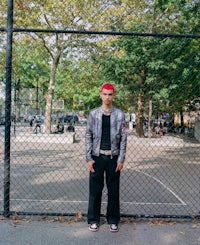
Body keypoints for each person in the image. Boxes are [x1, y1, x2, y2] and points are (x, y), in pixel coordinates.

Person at [86, 83, 127, 233]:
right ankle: (94, 219)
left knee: (113, 190)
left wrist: (121, 158)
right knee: (95, 190)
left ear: (113, 95)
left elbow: (123, 138)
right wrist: (88, 158)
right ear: (100, 94)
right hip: (97, 156)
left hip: (113, 157)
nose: (107, 97)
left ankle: (113, 220)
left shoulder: (120, 114)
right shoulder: (93, 114)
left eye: (110, 94)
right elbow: (88, 136)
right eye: (105, 94)